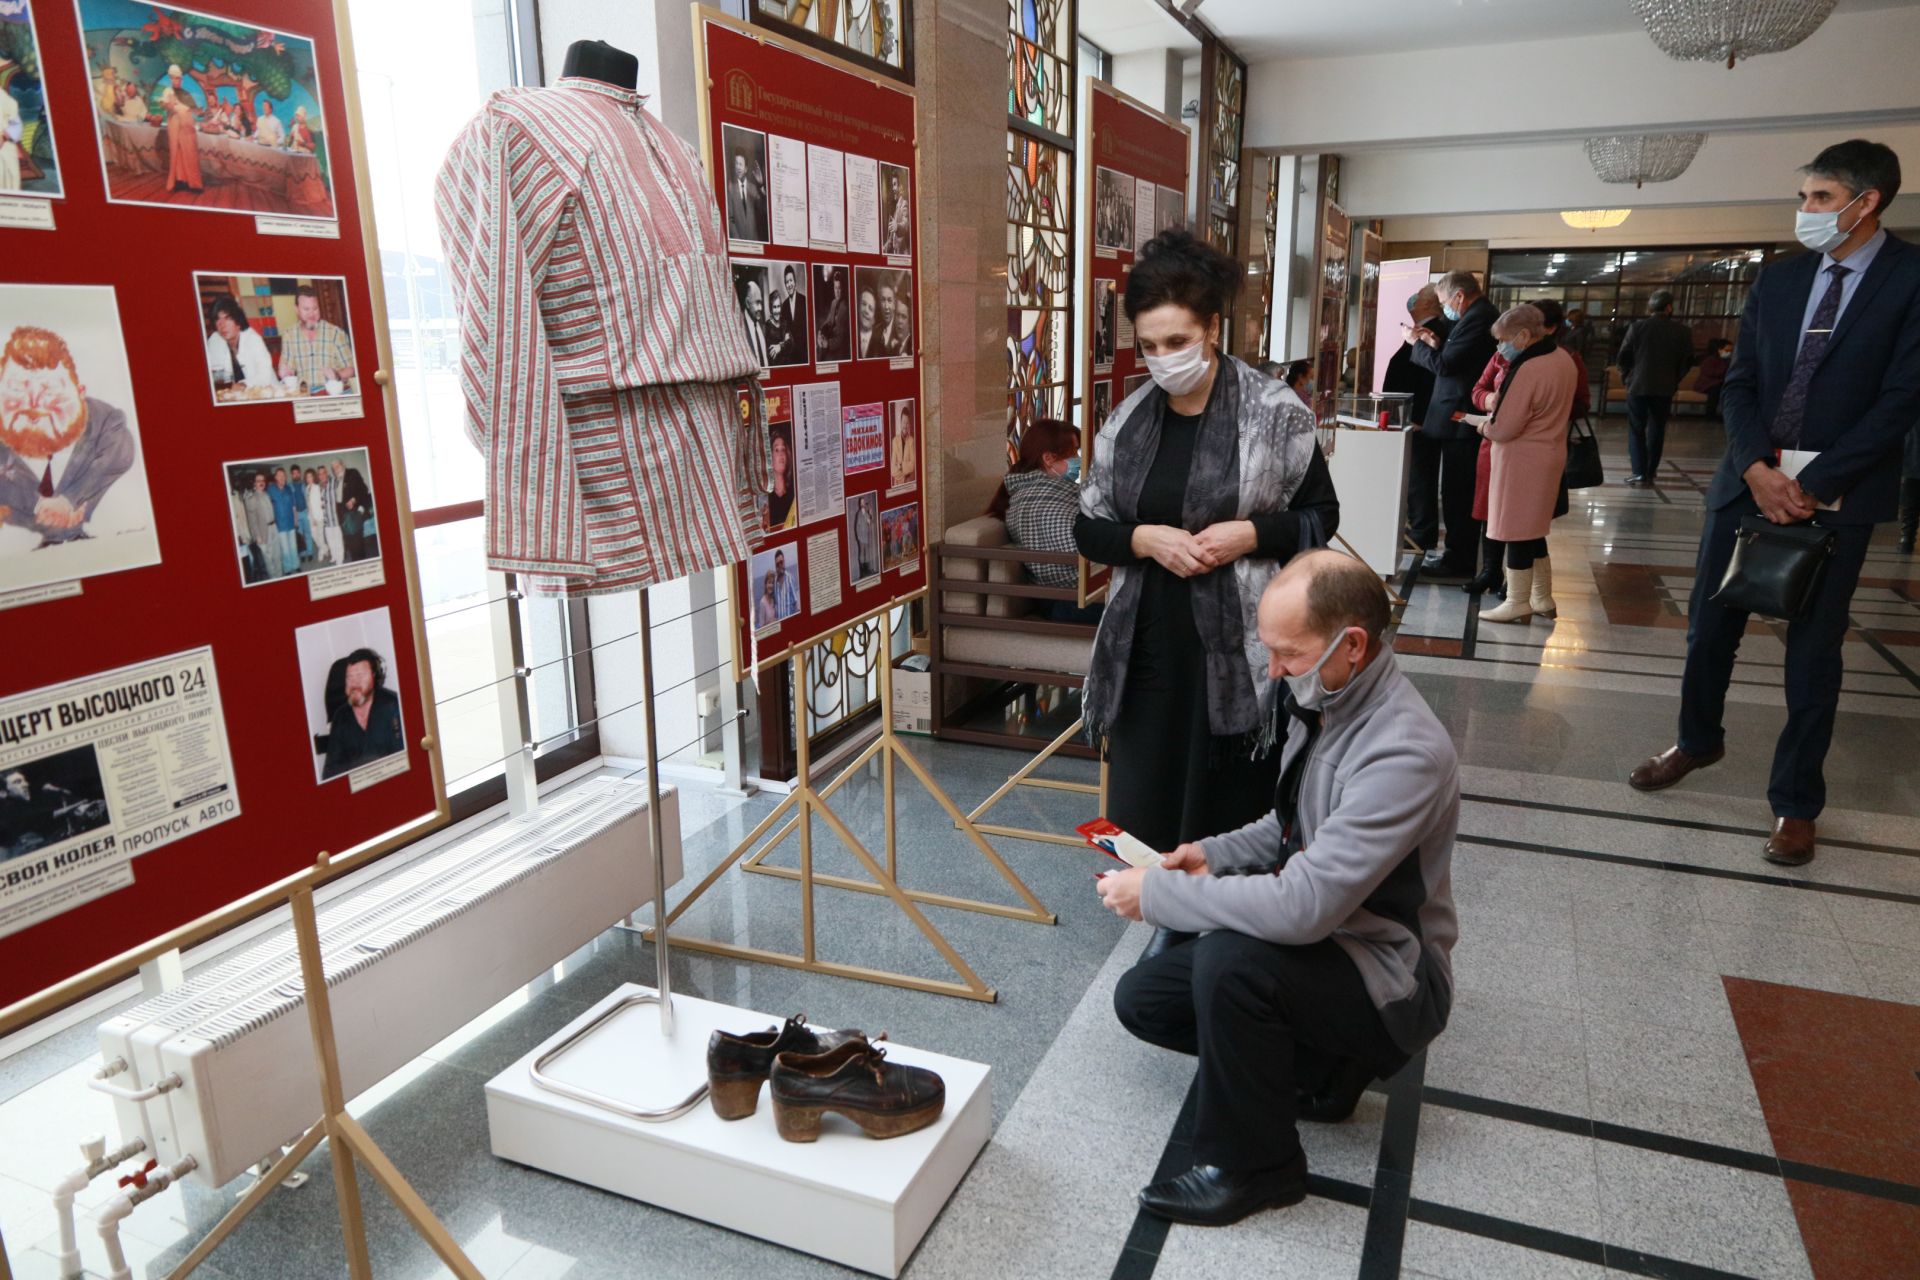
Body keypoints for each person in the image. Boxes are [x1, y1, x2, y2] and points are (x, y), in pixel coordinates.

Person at [1100, 551, 1458, 1227]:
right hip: (1336, 942)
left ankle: (1257, 1168)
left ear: (1352, 645)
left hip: (1392, 974)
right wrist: (1209, 854)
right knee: (1146, 1000)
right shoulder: (1331, 699)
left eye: (1288, 654)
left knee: (1230, 964)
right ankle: (1327, 1075)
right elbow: (1289, 821)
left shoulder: (1404, 750)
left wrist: (1158, 897)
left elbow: (1304, 907)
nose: (1272, 671)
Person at [1629, 139, 1920, 868]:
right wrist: (1756, 467)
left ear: (1867, 202)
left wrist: (1814, 482)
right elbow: (1742, 383)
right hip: (1747, 485)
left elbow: (1902, 399)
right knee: (1708, 631)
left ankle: (1796, 804)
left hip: (1838, 495)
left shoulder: (1910, 279)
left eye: (1821, 198)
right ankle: (1696, 741)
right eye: (1805, 197)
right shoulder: (1782, 279)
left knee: (1813, 655)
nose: (1807, 210)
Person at [1076, 228, 1340, 950]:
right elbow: (1089, 527)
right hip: (1149, 642)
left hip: (1242, 649)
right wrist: (1144, 539)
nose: (1163, 358)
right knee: (1149, 791)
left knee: (1227, 795)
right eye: (1149, 345)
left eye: (1178, 340)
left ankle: (1222, 923)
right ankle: (1163, 910)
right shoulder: (1129, 420)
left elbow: (1321, 516)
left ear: (1213, 328)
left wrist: (1249, 534)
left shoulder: (1274, 411)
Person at [1475, 305, 1580, 624]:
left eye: (1503, 339)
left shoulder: (1529, 368)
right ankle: (1543, 598)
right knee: (1533, 529)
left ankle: (1517, 602)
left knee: (1517, 530)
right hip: (1549, 453)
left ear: (1523, 335)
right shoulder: (1562, 358)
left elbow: (1505, 427)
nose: (1500, 347)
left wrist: (1483, 427)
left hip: (1521, 460)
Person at [0, 326, 136, 548]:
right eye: (17, 388)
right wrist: (44, 509)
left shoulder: (104, 422)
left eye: (50, 389)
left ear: (79, 395)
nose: (33, 403)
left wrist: (69, 500)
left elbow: (121, 451)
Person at [1405, 271, 1496, 578]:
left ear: (1459, 296)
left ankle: (1459, 559)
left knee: (1459, 493)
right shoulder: (1473, 316)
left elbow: (1445, 366)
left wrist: (1416, 344)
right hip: (1455, 417)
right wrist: (1436, 342)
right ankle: (1457, 554)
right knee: (1455, 491)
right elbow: (1453, 357)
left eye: (1444, 303)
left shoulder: (1478, 318)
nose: (1444, 309)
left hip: (1461, 417)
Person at [990, 419, 1099, 623]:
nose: (1078, 459)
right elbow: (1080, 546)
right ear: (1049, 458)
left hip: (1070, 597)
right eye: (1074, 452)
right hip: (1068, 601)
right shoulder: (1038, 501)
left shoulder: (1045, 493)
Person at [1616, 289, 1694, 485]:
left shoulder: (1637, 327)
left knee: (1637, 429)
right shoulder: (1682, 331)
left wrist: (1627, 378)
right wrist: (1674, 379)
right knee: (1657, 429)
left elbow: (1623, 356)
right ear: (1669, 307)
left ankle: (1639, 471)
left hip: (1637, 385)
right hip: (1665, 388)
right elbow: (1687, 361)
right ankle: (1651, 471)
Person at [321, 649, 403, 780]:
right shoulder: (340, 717)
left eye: (360, 675)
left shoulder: (393, 704)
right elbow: (330, 772)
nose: (354, 683)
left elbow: (402, 759)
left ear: (374, 676)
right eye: (349, 677)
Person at [1382, 285, 1447, 430]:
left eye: (1419, 295)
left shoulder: (1433, 330)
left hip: (1415, 419)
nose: (1414, 299)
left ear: (1427, 303)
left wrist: (1417, 419)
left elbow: (1427, 376)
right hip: (1406, 414)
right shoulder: (1425, 327)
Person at [279, 287, 354, 392]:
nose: (311, 314)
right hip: (304, 394)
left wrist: (337, 374)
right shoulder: (289, 335)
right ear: (296, 309)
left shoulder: (336, 333)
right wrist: (286, 373)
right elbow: (287, 368)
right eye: (306, 309)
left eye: (315, 309)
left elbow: (351, 369)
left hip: (332, 393)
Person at [205, 295, 275, 389]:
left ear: (238, 321)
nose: (222, 325)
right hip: (230, 394)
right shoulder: (215, 340)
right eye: (217, 319)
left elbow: (265, 375)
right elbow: (212, 373)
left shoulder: (253, 339)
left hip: (266, 391)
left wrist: (243, 385)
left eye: (227, 318)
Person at [161, 88, 203, 193]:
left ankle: (194, 183)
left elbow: (195, 111)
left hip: (187, 123)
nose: (176, 80)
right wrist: (172, 107)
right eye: (174, 79)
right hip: (175, 120)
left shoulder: (185, 93)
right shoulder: (168, 91)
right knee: (176, 151)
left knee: (190, 151)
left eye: (178, 79)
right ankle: (180, 180)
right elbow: (165, 104)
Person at [332, 457, 372, 561]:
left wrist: (354, 500)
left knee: (357, 541)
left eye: (337, 466)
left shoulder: (352, 473)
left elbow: (364, 489)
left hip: (353, 513)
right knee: (349, 540)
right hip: (342, 515)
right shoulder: (335, 481)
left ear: (343, 465)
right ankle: (355, 560)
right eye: (333, 468)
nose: (335, 469)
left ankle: (363, 562)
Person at [241, 472, 278, 579]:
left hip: (273, 527)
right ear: (254, 483)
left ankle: (280, 575)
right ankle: (274, 578)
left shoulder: (266, 494)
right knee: (268, 557)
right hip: (263, 531)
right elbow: (252, 520)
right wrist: (257, 536)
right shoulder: (251, 498)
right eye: (258, 481)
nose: (261, 482)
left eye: (263, 480)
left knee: (277, 555)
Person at [769, 266, 809, 366]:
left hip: (805, 356)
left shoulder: (804, 301)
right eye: (787, 282)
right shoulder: (784, 306)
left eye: (791, 281)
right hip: (791, 358)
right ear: (785, 285)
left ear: (795, 282)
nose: (789, 284)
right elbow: (784, 332)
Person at [727, 148, 766, 241]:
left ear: (745, 169)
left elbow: (764, 209)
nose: (738, 167)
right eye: (736, 163)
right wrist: (738, 240)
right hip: (738, 242)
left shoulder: (753, 189)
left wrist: (761, 185)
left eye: (740, 164)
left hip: (755, 241)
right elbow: (730, 219)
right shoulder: (730, 190)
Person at [267, 467, 299, 574]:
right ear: (276, 477)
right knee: (285, 548)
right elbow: (268, 506)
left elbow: (294, 506)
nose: (282, 477)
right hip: (280, 524)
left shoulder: (289, 489)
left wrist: (296, 520)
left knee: (293, 546)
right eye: (280, 475)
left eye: (284, 475)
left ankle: (296, 565)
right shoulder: (271, 489)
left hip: (291, 522)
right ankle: (288, 568)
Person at [816, 270, 849, 363]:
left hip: (839, 349)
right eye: (835, 288)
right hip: (831, 341)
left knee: (822, 357)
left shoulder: (845, 307)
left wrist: (827, 344)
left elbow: (840, 339)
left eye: (839, 288)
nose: (837, 291)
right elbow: (828, 321)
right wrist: (820, 331)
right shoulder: (833, 303)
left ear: (843, 289)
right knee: (819, 351)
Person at [1695, 337, 1732, 419]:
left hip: (1718, 383)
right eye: (1727, 350)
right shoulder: (1710, 360)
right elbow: (1711, 373)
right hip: (1706, 384)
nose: (1729, 353)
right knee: (1715, 390)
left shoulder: (1726, 361)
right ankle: (1710, 414)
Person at [739, 276, 772, 368]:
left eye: (761, 302)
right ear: (747, 303)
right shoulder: (739, 328)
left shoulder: (763, 327)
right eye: (757, 303)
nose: (760, 308)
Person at [766, 426, 795, 529]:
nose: (781, 454)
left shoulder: (794, 494)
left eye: (783, 449)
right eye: (777, 450)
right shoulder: (766, 499)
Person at [306, 467, 336, 566]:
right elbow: (309, 504)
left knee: (320, 535)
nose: (309, 478)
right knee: (313, 535)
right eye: (307, 477)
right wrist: (311, 517)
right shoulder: (307, 488)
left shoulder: (316, 487)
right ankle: (325, 548)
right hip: (311, 516)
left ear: (313, 477)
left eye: (310, 476)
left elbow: (319, 503)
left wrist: (316, 517)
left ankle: (321, 552)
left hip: (318, 516)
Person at [1901, 418, 1920, 554]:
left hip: (1913, 456)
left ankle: (1906, 539)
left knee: (1910, 504)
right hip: (1913, 455)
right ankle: (1906, 539)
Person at [851, 500, 880, 580]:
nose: (863, 504)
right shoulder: (858, 514)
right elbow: (857, 526)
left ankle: (866, 570)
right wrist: (858, 537)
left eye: (864, 502)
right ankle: (862, 571)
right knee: (861, 553)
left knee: (866, 553)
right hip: (861, 537)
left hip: (866, 537)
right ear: (860, 504)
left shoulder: (866, 513)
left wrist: (871, 514)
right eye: (862, 502)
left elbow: (871, 522)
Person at [889, 403, 915, 488]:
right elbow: (892, 470)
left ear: (909, 424)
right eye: (904, 422)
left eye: (907, 423)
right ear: (900, 423)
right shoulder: (894, 441)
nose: (905, 425)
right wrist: (905, 470)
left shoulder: (911, 441)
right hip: (897, 486)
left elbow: (912, 466)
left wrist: (899, 466)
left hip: (909, 484)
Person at [771, 549, 800, 616]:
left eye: (781, 562)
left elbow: (796, 603)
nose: (780, 565)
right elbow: (774, 603)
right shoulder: (774, 582)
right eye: (777, 564)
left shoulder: (790, 579)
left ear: (784, 561)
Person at [854, 288, 877, 361]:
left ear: (874, 317)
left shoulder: (880, 346)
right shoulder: (849, 338)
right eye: (864, 304)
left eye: (871, 308)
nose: (866, 310)